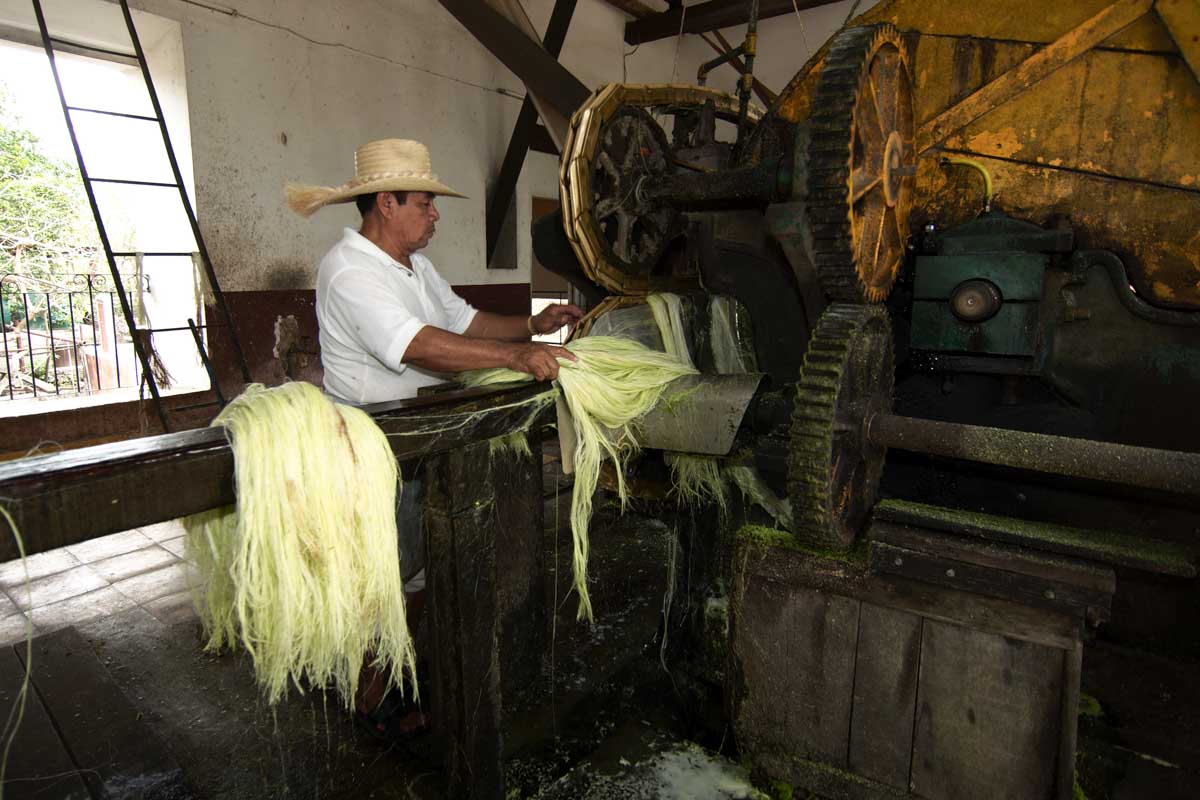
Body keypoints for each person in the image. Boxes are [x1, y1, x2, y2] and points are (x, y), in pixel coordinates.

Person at [286, 138, 581, 738]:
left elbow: (463, 321)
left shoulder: (413, 266)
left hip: (421, 436)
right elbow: (419, 344)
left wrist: (532, 325)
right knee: (382, 571)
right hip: (374, 442)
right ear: (386, 203)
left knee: (415, 567)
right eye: (425, 202)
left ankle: (393, 666)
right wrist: (519, 357)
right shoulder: (349, 270)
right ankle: (368, 692)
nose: (435, 214)